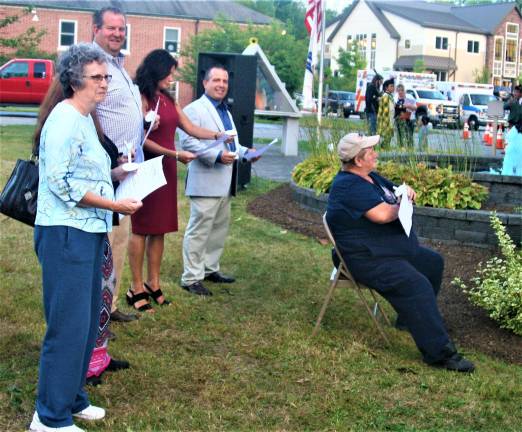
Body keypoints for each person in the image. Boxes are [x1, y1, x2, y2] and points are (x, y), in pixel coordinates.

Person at [29, 43, 142, 432]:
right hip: (66, 234)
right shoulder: (63, 119)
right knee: (68, 325)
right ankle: (49, 417)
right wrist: (114, 206)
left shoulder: (85, 118)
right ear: (75, 80)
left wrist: (115, 176)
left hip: (89, 231)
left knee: (87, 320)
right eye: (97, 77)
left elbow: (85, 174)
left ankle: (72, 397)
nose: (105, 85)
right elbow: (60, 183)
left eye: (107, 77)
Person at [326, 132, 475, 373]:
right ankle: (440, 353)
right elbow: (382, 214)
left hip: (384, 249)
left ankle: (411, 320)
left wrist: (406, 191)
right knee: (416, 285)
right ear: (358, 160)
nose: (375, 153)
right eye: (370, 151)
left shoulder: (369, 176)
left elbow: (394, 191)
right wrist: (401, 203)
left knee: (432, 263)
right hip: (364, 257)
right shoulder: (347, 186)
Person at [127, 49, 226, 312]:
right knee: (140, 228)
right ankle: (136, 287)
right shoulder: (141, 97)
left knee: (160, 229)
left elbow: (190, 128)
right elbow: (140, 139)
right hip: (148, 167)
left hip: (168, 169)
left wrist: (219, 135)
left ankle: (153, 283)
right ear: (157, 70)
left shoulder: (168, 99)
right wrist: (175, 154)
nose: (172, 77)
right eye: (169, 73)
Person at [179, 65, 261, 296]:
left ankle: (209, 268)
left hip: (225, 183)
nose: (221, 85)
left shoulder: (225, 110)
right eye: (216, 80)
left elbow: (230, 144)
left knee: (217, 230)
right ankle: (191, 277)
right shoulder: (194, 109)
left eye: (225, 81)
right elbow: (187, 142)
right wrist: (215, 156)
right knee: (199, 231)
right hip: (205, 181)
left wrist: (247, 153)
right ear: (205, 83)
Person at [93, 6, 144, 323]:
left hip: (127, 167)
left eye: (122, 29)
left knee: (120, 238)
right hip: (104, 167)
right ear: (95, 27)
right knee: (104, 244)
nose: (117, 34)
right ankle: (95, 310)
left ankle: (108, 307)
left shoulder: (119, 65)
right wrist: (109, 155)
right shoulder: (92, 64)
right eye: (111, 28)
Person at [394, 83, 416, 148]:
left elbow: (415, 108)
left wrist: (407, 106)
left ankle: (410, 149)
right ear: (397, 91)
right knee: (400, 135)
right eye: (399, 90)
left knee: (409, 135)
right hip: (399, 119)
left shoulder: (410, 97)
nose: (400, 92)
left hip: (409, 119)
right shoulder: (395, 98)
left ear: (404, 91)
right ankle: (401, 148)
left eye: (402, 90)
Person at [377, 78, 395, 149]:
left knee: (389, 135)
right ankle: (383, 147)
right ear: (386, 87)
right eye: (391, 86)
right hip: (386, 119)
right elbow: (385, 110)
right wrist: (387, 122)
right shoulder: (385, 96)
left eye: (393, 86)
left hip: (390, 119)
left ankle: (385, 147)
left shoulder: (390, 96)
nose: (393, 88)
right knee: (387, 135)